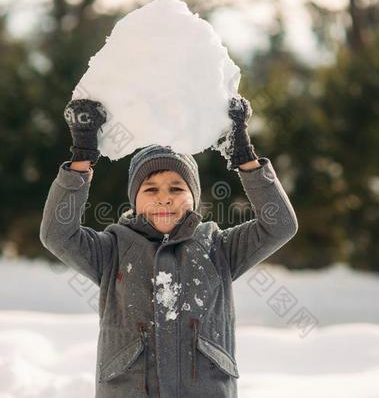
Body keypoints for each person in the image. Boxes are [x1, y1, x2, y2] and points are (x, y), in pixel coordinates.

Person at [39, 95, 298, 398]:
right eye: (150, 189)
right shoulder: (112, 249)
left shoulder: (218, 247)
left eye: (176, 188)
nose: (164, 198)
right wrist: (81, 158)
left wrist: (244, 157)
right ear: (134, 201)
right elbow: (58, 234)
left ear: (194, 198)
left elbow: (280, 225)